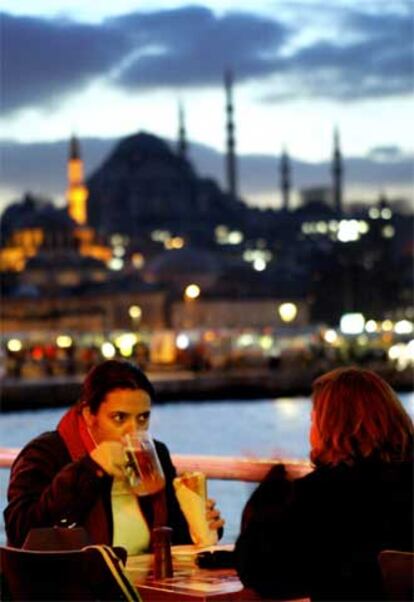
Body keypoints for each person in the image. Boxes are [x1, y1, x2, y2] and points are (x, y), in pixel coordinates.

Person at [5, 360, 224, 552]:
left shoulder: (155, 454)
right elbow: (20, 530)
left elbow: (174, 537)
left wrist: (201, 523)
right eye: (119, 418)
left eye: (142, 418)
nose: (133, 430)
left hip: (144, 585)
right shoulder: (44, 453)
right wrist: (90, 469)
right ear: (89, 415)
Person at [235, 366, 413, 601]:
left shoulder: (320, 495)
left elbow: (260, 572)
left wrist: (269, 494)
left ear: (330, 428)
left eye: (313, 421)